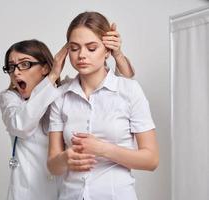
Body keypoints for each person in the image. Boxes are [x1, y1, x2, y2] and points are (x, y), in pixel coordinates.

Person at [0, 33, 134, 199]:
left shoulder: (65, 91)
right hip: (28, 193)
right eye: (11, 67)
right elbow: (21, 126)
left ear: (44, 68)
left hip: (66, 191)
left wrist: (117, 54)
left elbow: (122, 89)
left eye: (24, 64)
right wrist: (53, 75)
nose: (16, 73)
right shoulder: (10, 99)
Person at [47, 12, 159, 200]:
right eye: (74, 48)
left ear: (107, 50)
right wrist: (65, 158)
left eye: (91, 48)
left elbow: (151, 160)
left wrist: (102, 149)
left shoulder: (129, 91)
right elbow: (52, 165)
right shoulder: (61, 97)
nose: (82, 55)